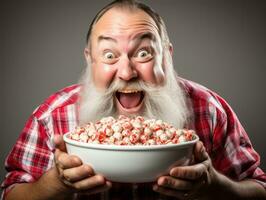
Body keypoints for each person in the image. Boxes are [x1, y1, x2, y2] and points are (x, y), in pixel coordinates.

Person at [1, 0, 266, 199]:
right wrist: (55, 183)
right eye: (109, 55)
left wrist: (214, 186)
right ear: (89, 59)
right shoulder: (52, 116)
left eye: (143, 54)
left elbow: (258, 189)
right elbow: (11, 193)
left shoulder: (209, 109)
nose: (127, 73)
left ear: (167, 56)